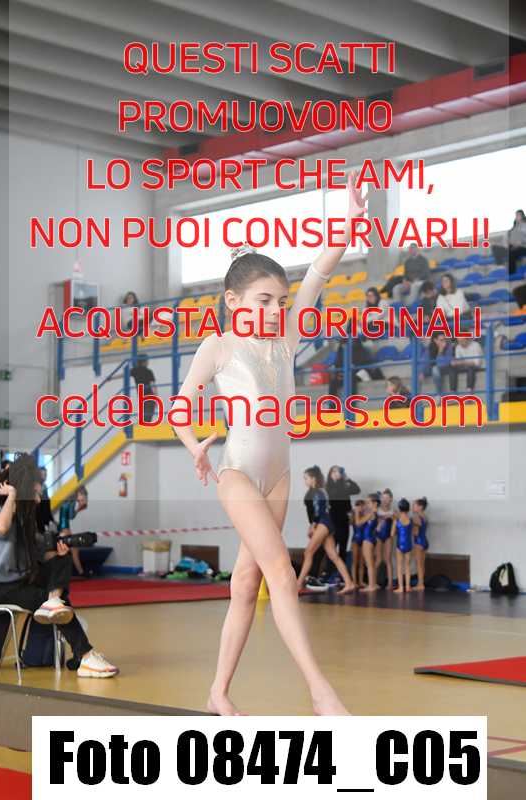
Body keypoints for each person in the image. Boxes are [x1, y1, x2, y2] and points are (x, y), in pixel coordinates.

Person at [169, 174, 366, 716]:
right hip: (237, 474)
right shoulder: (218, 345)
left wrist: (349, 221)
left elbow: (320, 272)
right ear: (233, 301)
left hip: (278, 476)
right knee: (280, 572)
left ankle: (218, 692)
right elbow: (180, 405)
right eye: (264, 300)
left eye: (281, 300)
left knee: (245, 581)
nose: (277, 309)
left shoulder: (286, 339)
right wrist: (194, 446)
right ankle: (320, 692)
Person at [0, 454, 118, 677]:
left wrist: (59, 553)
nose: (38, 498)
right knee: (57, 604)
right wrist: (12, 495)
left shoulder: (25, 524)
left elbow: (44, 554)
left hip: (17, 585)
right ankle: (85, 655)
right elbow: (1, 528)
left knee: (61, 564)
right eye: (34, 492)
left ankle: (55, 603)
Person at [297, 466, 355, 596]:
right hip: (326, 523)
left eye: (306, 478)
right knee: (333, 556)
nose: (305, 481)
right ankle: (349, 583)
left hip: (324, 523)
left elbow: (319, 511)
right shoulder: (317, 492)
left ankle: (298, 584)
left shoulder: (318, 492)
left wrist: (313, 525)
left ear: (313, 478)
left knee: (308, 552)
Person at [322, 466, 360, 580]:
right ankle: (328, 573)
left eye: (338, 472)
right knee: (332, 548)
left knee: (343, 547)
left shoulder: (344, 486)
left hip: (344, 520)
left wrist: (346, 478)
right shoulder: (327, 487)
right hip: (332, 520)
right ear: (330, 474)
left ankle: (342, 576)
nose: (336, 473)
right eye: (334, 471)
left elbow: (356, 489)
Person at [58, 486, 88, 576]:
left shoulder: (69, 499)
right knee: (74, 550)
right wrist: (79, 508)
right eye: (82, 498)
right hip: (64, 529)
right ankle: (81, 573)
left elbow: (68, 516)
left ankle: (80, 572)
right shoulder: (72, 501)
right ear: (79, 493)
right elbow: (71, 516)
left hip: (63, 528)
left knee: (74, 550)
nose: (81, 500)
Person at [492, 210, 526, 275]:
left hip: (523, 247)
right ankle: (500, 265)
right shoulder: (513, 229)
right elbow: (506, 238)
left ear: (522, 216)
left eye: (518, 215)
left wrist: (520, 242)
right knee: (495, 247)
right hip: (513, 246)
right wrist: (507, 244)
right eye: (516, 215)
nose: (517, 217)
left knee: (512, 252)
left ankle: (511, 272)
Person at [392, 498, 414, 594]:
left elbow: (392, 534)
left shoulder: (397, 520)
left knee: (399, 566)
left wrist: (398, 531)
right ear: (408, 509)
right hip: (409, 544)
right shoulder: (411, 520)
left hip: (400, 544)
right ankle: (408, 586)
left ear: (399, 508)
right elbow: (412, 532)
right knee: (407, 566)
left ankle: (401, 587)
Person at [360, 493, 380, 593]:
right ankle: (373, 584)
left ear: (375, 503)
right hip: (371, 539)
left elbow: (358, 522)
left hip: (368, 539)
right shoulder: (375, 513)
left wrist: (357, 512)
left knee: (369, 563)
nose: (367, 504)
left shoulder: (371, 513)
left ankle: (371, 585)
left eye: (368, 502)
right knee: (371, 562)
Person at [131, 355, 159, 423]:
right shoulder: (148, 371)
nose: (148, 362)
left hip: (141, 396)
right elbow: (153, 385)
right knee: (147, 416)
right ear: (144, 362)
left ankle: (143, 424)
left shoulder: (135, 370)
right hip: (149, 395)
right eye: (147, 361)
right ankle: (144, 425)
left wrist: (110, 378)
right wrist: (156, 397)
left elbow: (123, 374)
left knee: (144, 415)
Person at [375, 488, 394, 590]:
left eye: (387, 498)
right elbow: (373, 524)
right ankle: (372, 582)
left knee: (388, 560)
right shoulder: (377, 510)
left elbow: (397, 524)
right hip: (378, 536)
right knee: (378, 560)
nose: (385, 500)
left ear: (391, 499)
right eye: (383, 498)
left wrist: (392, 518)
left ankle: (390, 583)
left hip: (388, 537)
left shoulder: (393, 511)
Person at [413, 497, 429, 591]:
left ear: (420, 507)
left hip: (418, 542)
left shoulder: (416, 517)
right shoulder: (425, 516)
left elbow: (415, 533)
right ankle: (421, 583)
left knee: (419, 564)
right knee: (422, 564)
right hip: (425, 541)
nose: (413, 507)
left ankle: (420, 584)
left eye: (414, 505)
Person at [351, 500, 366, 589]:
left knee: (361, 562)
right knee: (355, 561)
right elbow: (357, 524)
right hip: (355, 540)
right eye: (359, 506)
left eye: (362, 506)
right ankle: (354, 581)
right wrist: (356, 512)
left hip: (363, 540)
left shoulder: (365, 516)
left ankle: (360, 581)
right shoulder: (354, 516)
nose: (361, 508)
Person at [36, 467, 55, 534]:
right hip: (38, 518)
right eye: (43, 474)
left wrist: (51, 519)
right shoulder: (35, 486)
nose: (45, 476)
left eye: (46, 475)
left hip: (44, 517)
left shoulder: (45, 486)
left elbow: (47, 505)